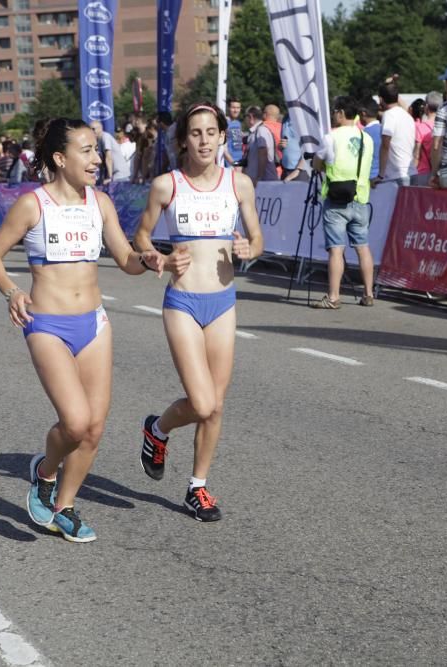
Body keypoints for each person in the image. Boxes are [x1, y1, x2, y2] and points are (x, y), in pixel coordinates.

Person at [0, 118, 170, 543]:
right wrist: (12, 291)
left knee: (95, 427)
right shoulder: (34, 205)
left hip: (94, 323)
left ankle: (63, 506)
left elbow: (124, 257)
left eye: (97, 149)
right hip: (46, 323)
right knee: (76, 420)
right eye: (85, 150)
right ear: (60, 158)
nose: (96, 158)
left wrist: (149, 259)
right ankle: (45, 472)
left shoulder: (98, 203)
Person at [133, 101, 263, 522]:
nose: (204, 140)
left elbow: (257, 238)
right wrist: (161, 259)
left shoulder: (239, 184)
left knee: (217, 405)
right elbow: (141, 238)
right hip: (184, 302)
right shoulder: (166, 186)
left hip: (223, 301)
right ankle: (158, 429)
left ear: (223, 136)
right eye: (195, 133)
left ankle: (198, 487)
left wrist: (249, 249)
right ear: (183, 140)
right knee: (203, 402)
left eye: (211, 132)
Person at [311, 96, 375, 310]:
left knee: (336, 250)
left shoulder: (332, 137)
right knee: (363, 247)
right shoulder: (367, 138)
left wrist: (316, 162)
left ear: (340, 112)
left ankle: (334, 296)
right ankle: (368, 293)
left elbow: (319, 162)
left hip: (337, 199)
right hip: (362, 198)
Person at [376, 80, 415, 187]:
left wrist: (380, 175)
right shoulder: (407, 116)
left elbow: (385, 145)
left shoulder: (389, 115)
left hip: (396, 174)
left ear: (380, 99)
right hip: (411, 170)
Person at [244, 105, 278, 186]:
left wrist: (259, 177)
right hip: (260, 182)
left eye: (246, 117)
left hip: (264, 183)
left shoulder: (261, 131)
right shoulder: (257, 131)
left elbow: (263, 153)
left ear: (251, 117)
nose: (245, 120)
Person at [411, 92, 440, 186]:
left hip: (423, 172)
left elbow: (416, 155)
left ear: (426, 107)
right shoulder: (442, 126)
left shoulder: (421, 128)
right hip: (439, 172)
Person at [279, 112, 309, 182]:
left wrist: (298, 170)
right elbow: (284, 146)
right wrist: (280, 146)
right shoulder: (285, 118)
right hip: (285, 171)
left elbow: (309, 148)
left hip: (300, 172)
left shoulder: (304, 119)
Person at [358, 99, 382, 182]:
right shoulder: (385, 130)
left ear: (363, 113)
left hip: (369, 178)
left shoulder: (363, 134)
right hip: (384, 176)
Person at [224, 98, 244, 170]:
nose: (236, 110)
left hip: (239, 161)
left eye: (238, 108)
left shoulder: (238, 123)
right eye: (233, 108)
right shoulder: (225, 122)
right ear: (228, 108)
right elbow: (223, 149)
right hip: (230, 164)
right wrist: (234, 164)